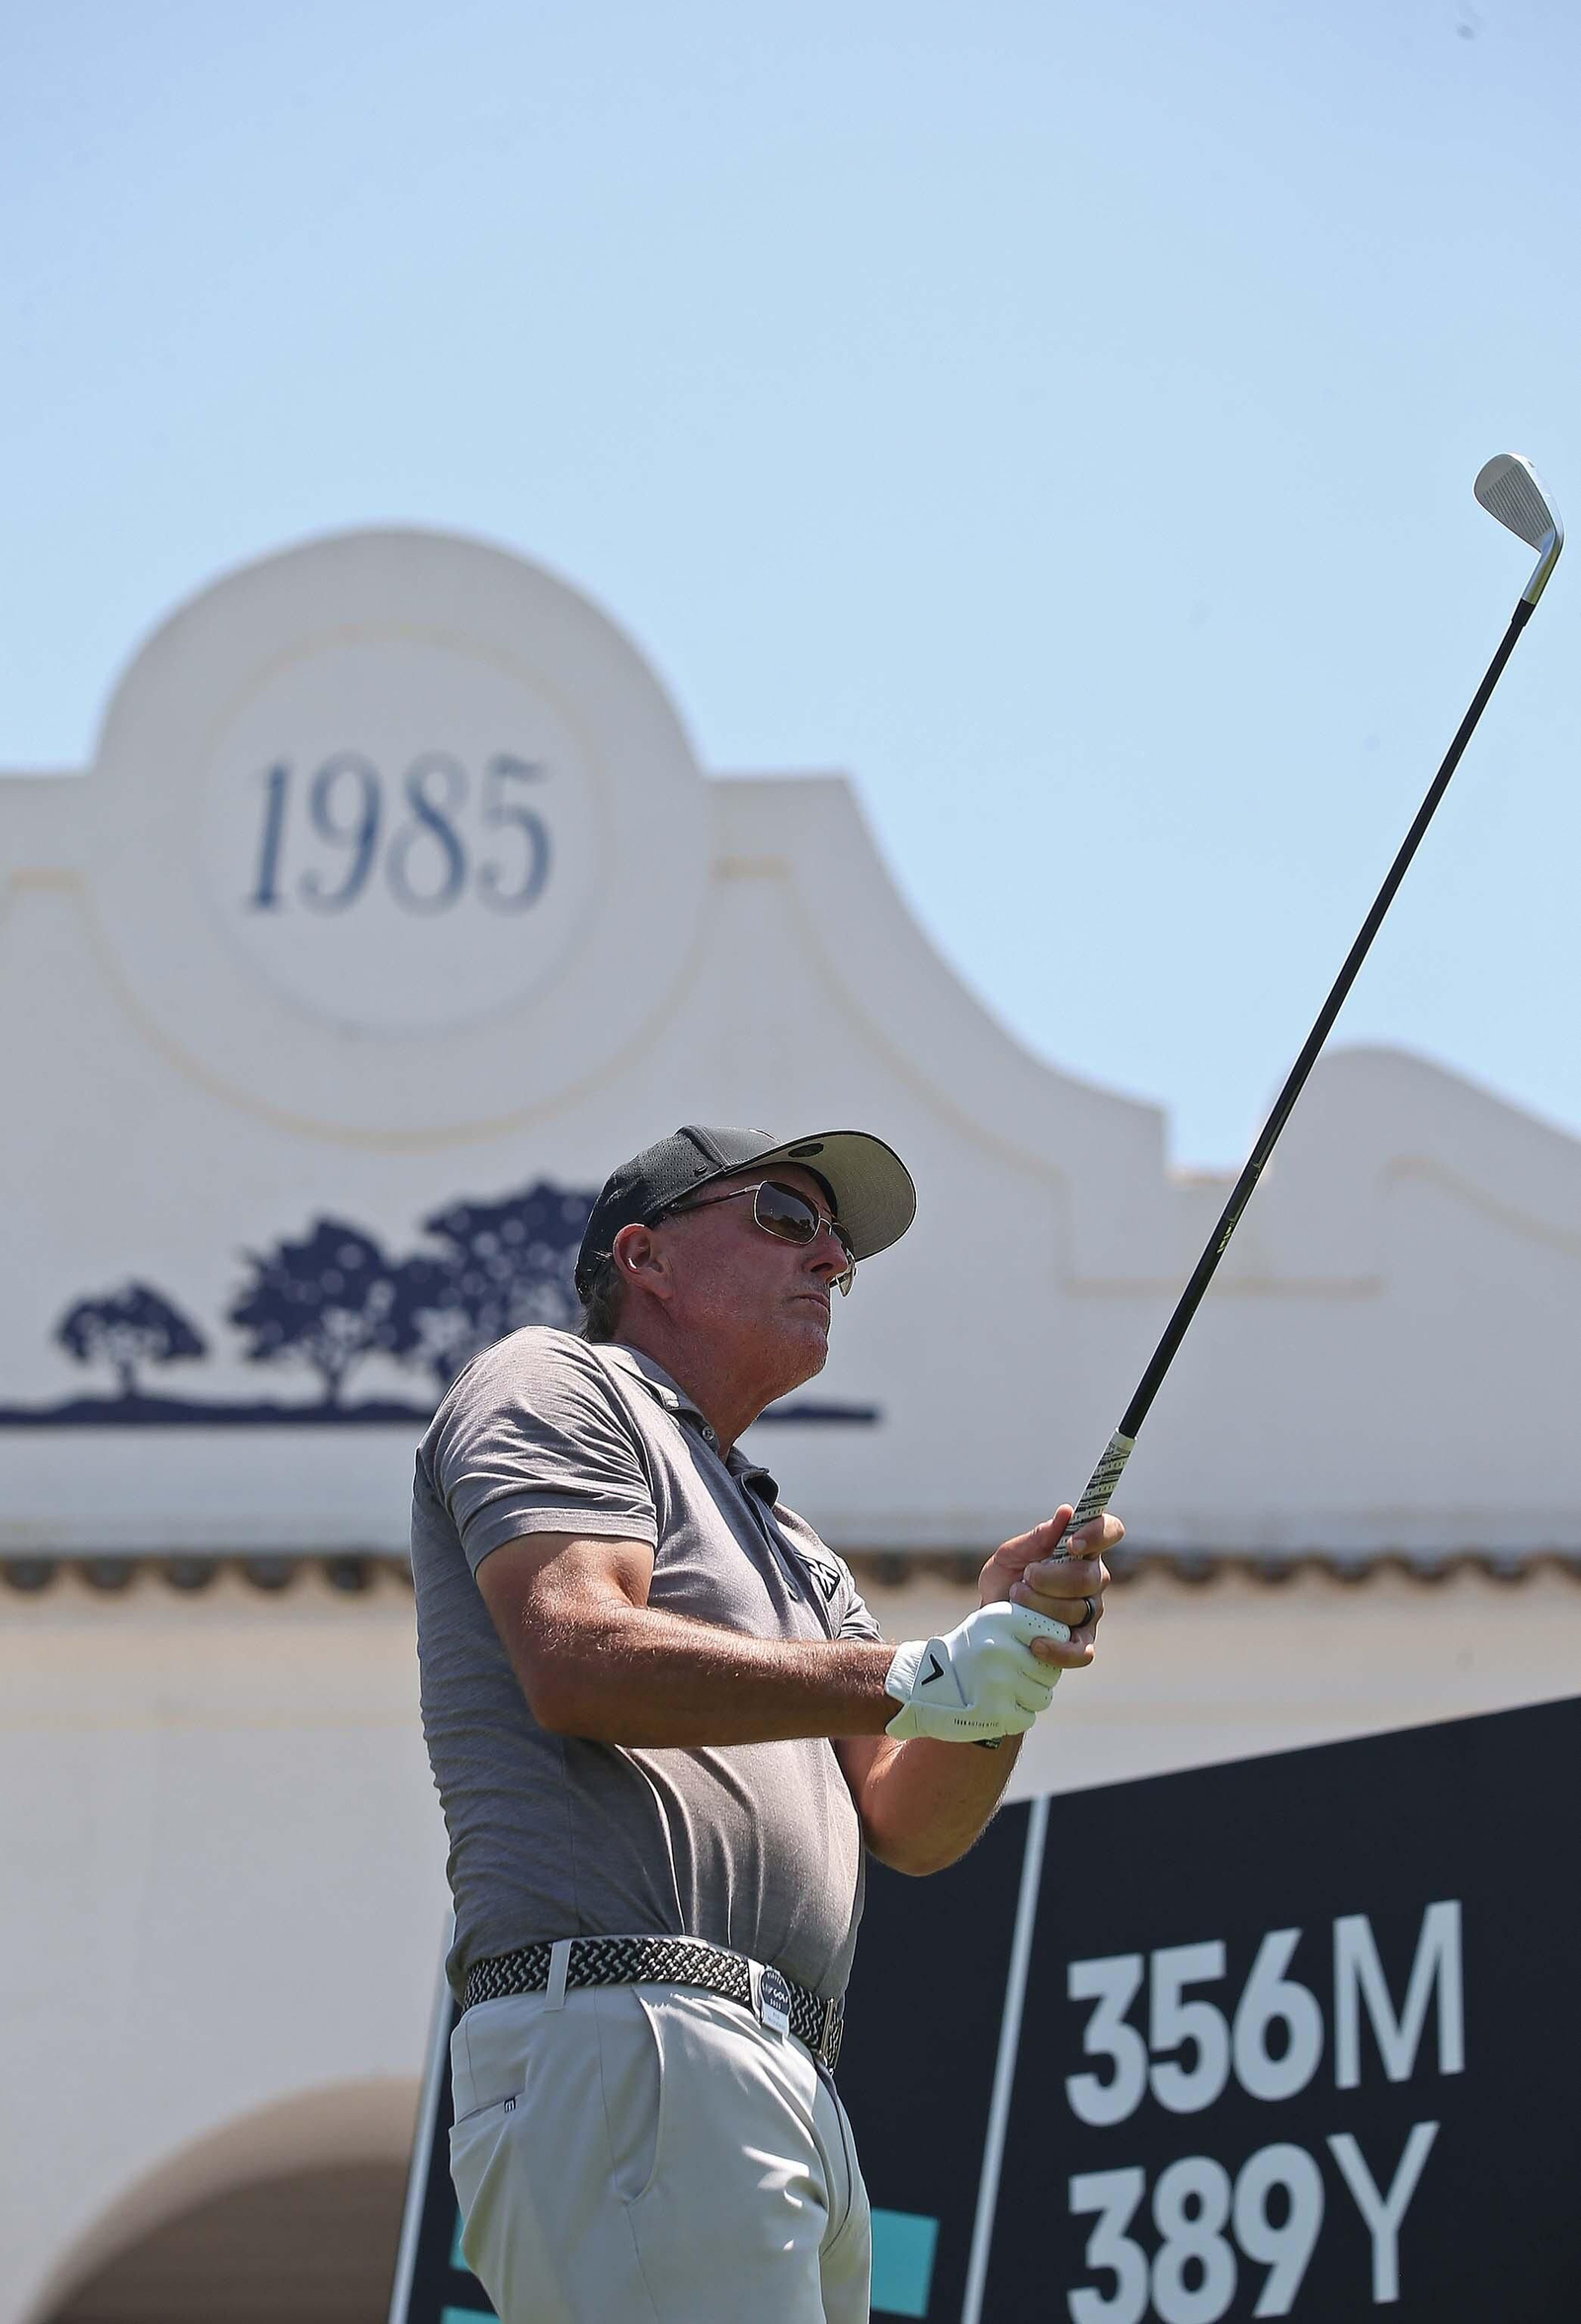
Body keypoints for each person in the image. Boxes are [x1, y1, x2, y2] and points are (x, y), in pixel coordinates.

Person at [410, 1122, 1121, 2324]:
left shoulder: (794, 1548)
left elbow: (907, 1819)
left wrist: (1005, 1673)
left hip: (776, 2074)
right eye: (786, 1219)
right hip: (632, 2041)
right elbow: (576, 1658)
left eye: (840, 1247)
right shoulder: (556, 1380)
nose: (830, 1258)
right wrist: (916, 1669)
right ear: (645, 1256)